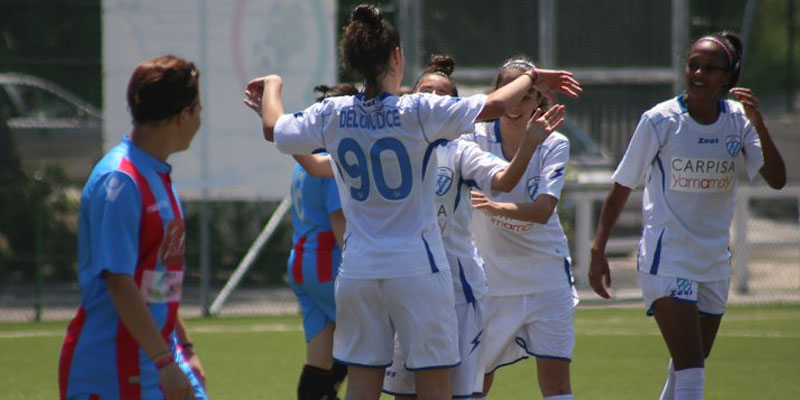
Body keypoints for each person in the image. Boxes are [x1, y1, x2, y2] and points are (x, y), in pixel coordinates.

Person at [243, 5, 581, 399]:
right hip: (417, 269)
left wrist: (274, 84)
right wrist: (530, 76)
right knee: (434, 383)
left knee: (362, 384)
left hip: (358, 270)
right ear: (397, 57)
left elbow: (273, 128)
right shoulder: (416, 111)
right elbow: (495, 105)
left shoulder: (333, 111)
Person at [588, 31, 786, 400]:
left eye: (710, 68)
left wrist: (759, 123)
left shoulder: (739, 120)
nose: (698, 73)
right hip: (668, 258)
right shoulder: (660, 120)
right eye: (693, 65)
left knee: (686, 367)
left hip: (713, 261)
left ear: (728, 77)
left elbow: (777, 180)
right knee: (692, 369)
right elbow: (622, 187)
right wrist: (598, 249)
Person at [58, 55, 207, 400]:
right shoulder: (121, 180)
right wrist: (165, 361)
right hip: (115, 366)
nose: (199, 120)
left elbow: (156, 281)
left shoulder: (156, 174)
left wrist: (183, 349)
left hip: (155, 358)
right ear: (183, 115)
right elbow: (118, 279)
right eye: (199, 110)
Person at [463, 56, 577, 400]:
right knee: (475, 384)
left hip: (545, 279)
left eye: (526, 97)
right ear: (498, 93)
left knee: (557, 386)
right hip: (492, 282)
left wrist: (494, 206)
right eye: (510, 94)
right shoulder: (473, 137)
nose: (516, 105)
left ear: (539, 100)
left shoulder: (554, 143)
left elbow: (543, 210)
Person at [290, 83, 356, 400]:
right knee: (368, 343)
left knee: (320, 357)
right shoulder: (333, 161)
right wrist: (358, 265)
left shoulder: (306, 160)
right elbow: (338, 220)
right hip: (327, 264)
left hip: (302, 263)